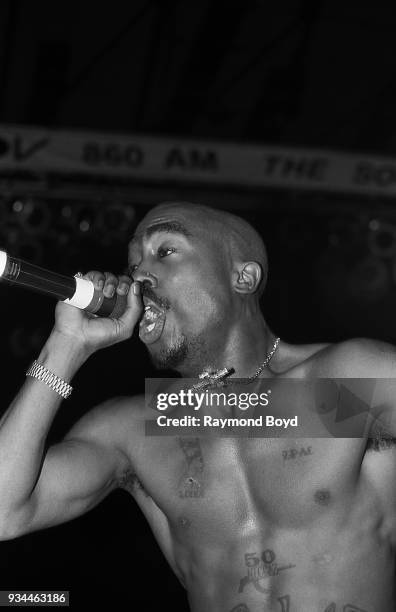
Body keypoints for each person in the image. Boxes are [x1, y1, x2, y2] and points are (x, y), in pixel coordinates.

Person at [0, 201, 394, 612]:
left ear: (242, 277)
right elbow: (4, 512)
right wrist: (67, 344)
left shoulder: (347, 382)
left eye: (164, 252)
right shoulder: (139, 428)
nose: (138, 278)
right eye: (133, 265)